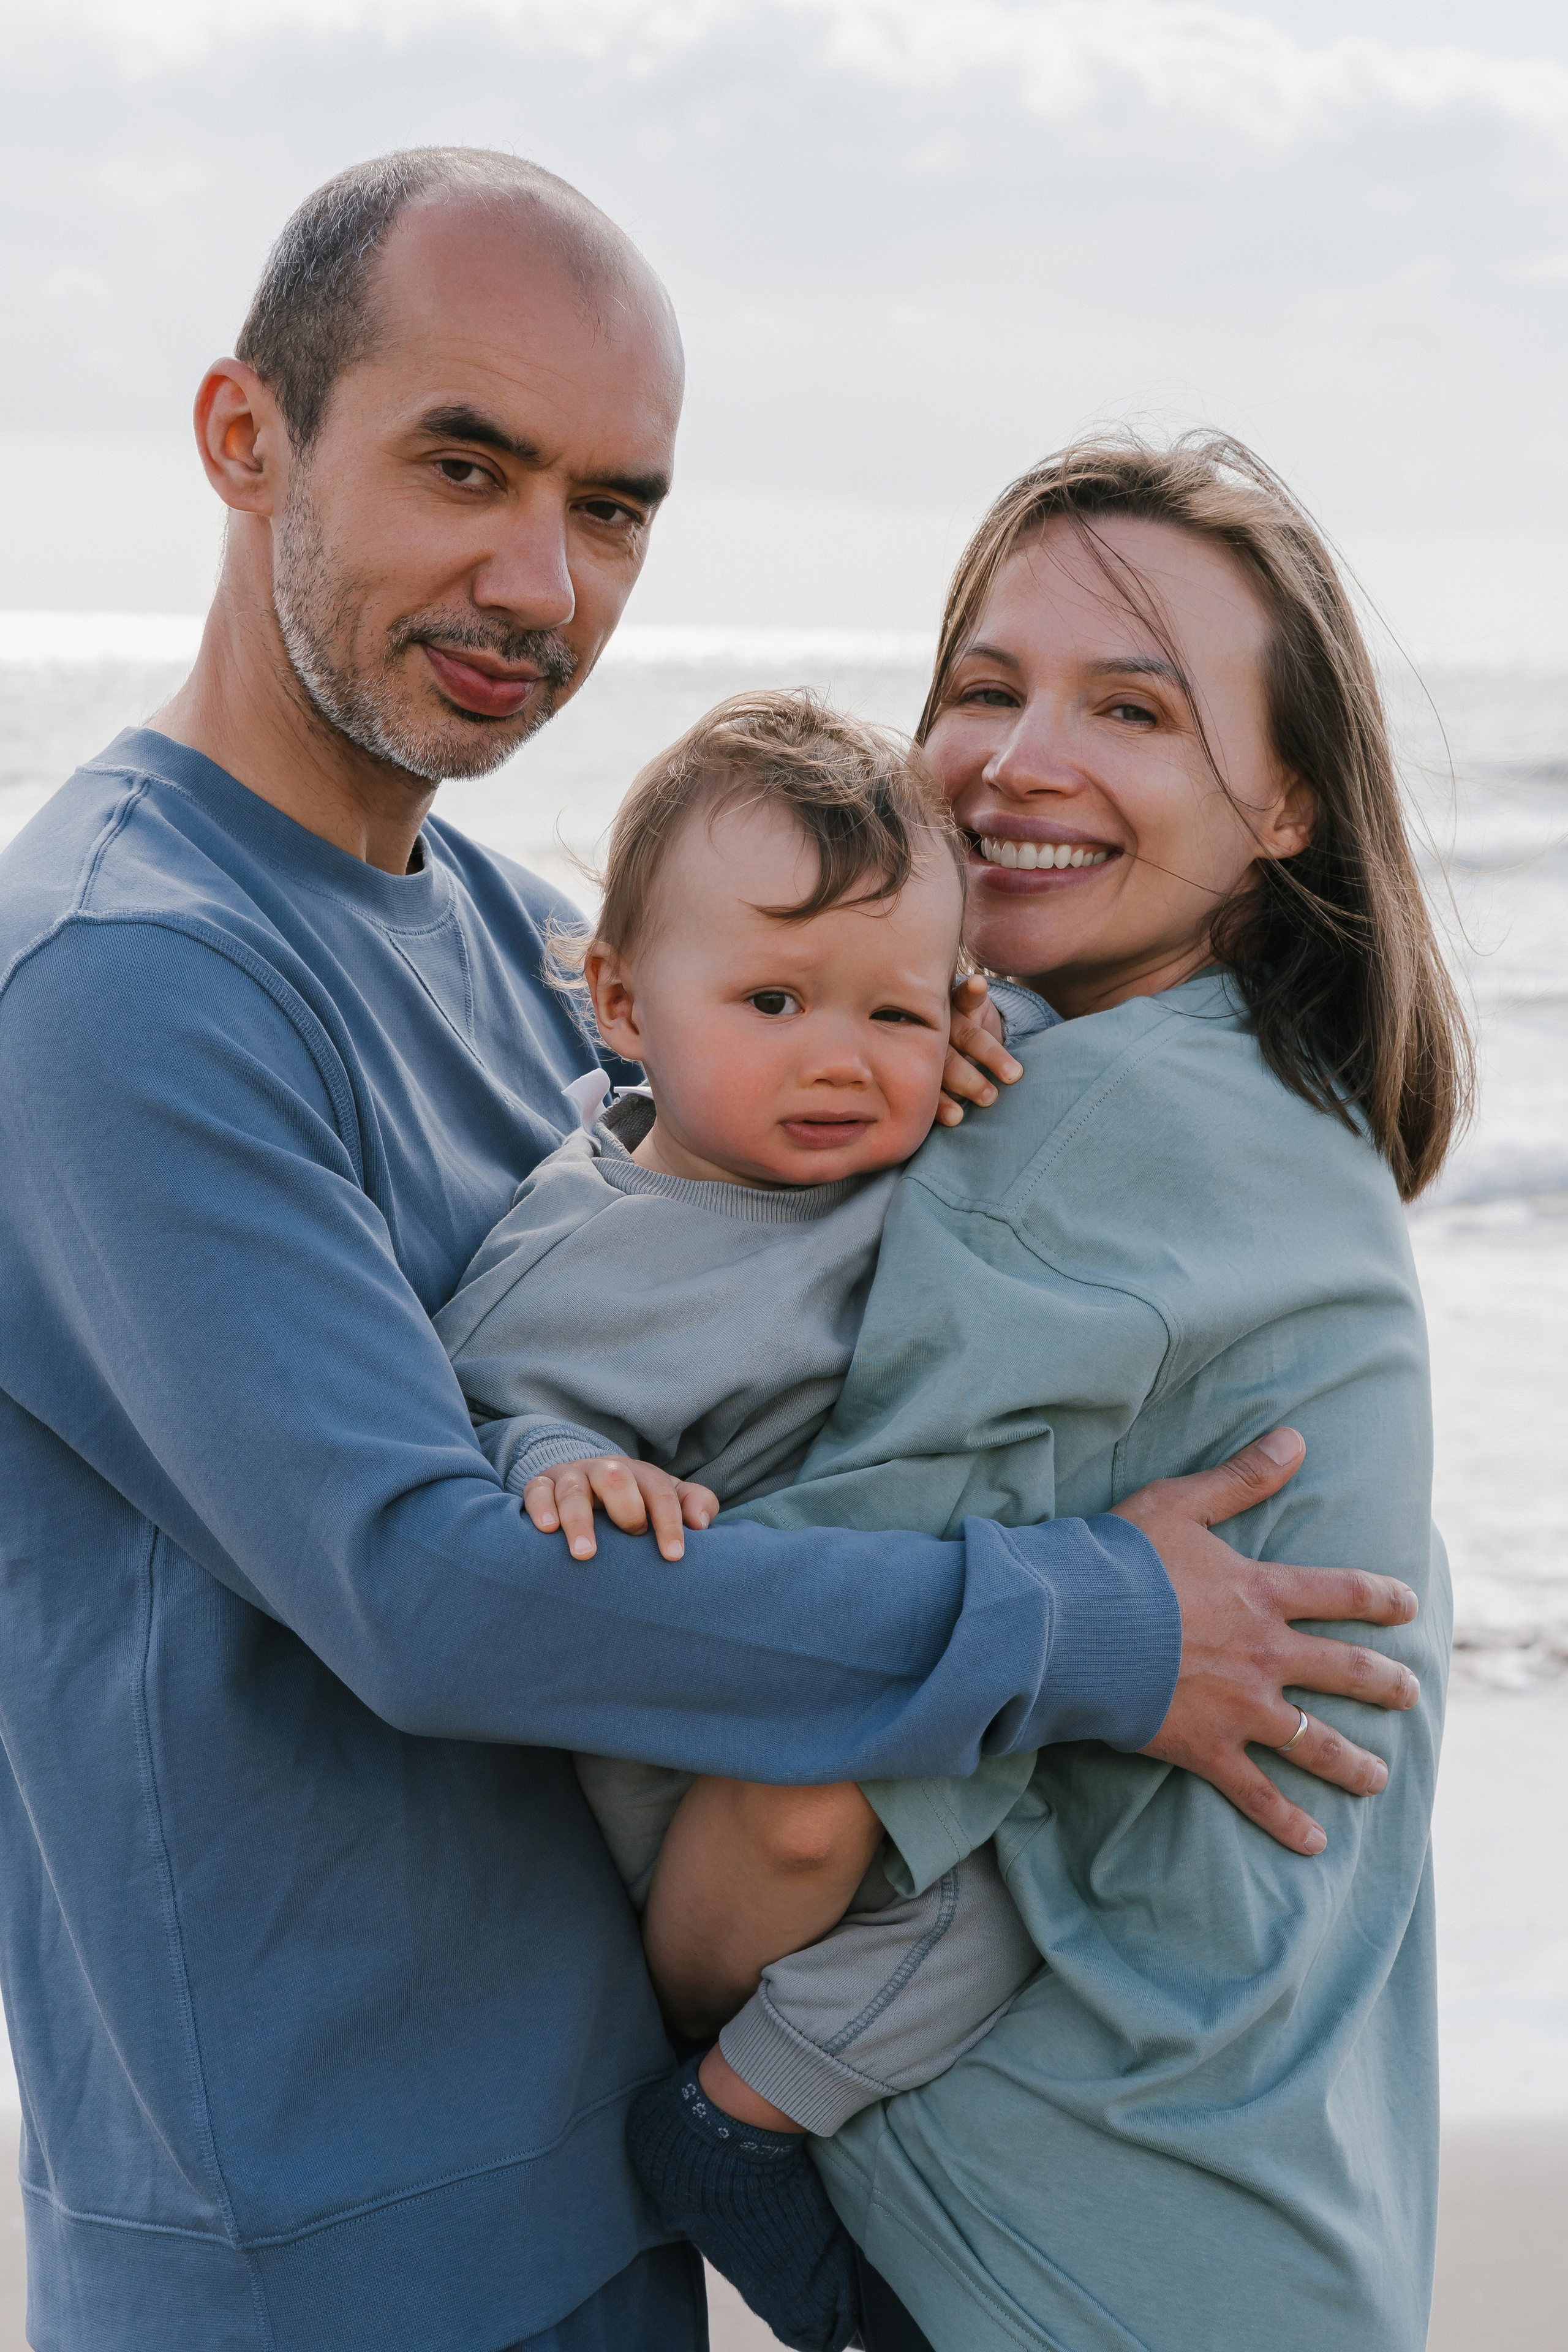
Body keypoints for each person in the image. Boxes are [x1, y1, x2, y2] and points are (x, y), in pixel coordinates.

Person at [0, 141, 1419, 2352]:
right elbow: (431, 1587)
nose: (538, 579)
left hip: (582, 2189)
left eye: (613, 505)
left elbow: (741, 1258)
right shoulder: (126, 977)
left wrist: (924, 1037)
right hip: (324, 2259)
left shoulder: (505, 929)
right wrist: (1092, 1622)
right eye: (463, 464)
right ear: (241, 438)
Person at [644, 434, 1468, 2351]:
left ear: (1286, 800)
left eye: (1134, 707)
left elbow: (789, 1799)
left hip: (1050, 2251)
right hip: (1281, 2229)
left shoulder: (1072, 1149)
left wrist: (679, 2028)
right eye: (984, 689)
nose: (1021, 762)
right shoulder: (1291, 1114)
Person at [436, 690, 1047, 2349]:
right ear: (624, 1002)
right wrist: (557, 1457)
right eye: (772, 999)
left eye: (897, 1016)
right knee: (1004, 1893)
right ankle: (738, 2127)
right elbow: (470, 1403)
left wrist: (998, 1041)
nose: (840, 1056)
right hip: (691, 1767)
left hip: (879, 1669)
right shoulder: (588, 1252)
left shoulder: (885, 1149)